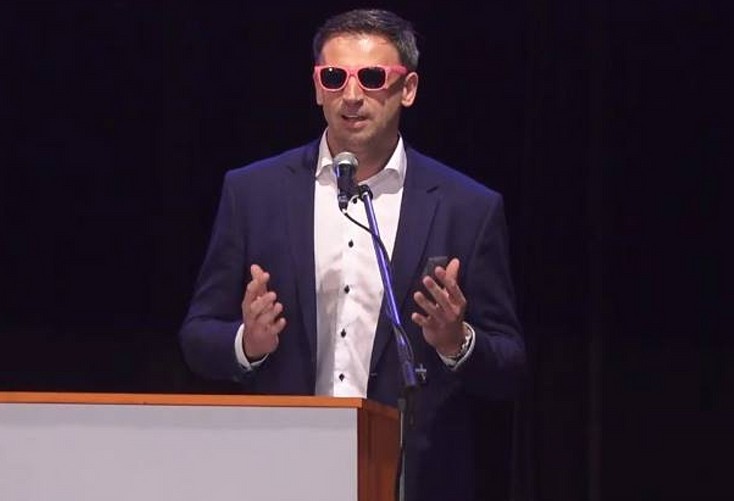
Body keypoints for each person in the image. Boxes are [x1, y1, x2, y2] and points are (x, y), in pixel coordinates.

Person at [179, 8, 525, 500]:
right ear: (317, 88)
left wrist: (456, 341)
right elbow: (197, 336)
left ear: (408, 89)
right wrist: (247, 344)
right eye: (335, 77)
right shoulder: (253, 192)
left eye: (372, 77)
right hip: (283, 472)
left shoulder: (467, 207)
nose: (352, 95)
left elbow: (508, 366)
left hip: (408, 478)